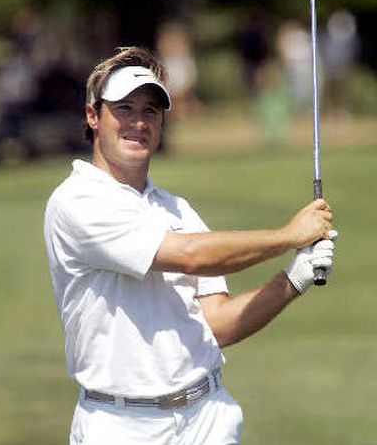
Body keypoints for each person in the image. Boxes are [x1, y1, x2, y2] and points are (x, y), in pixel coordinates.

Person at [44, 46, 336, 445]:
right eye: (124, 108)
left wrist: (294, 278)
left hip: (207, 417)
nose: (138, 122)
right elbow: (190, 256)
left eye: (150, 111)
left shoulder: (176, 210)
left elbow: (216, 325)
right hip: (120, 425)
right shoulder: (77, 200)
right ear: (93, 115)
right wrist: (290, 235)